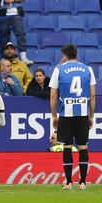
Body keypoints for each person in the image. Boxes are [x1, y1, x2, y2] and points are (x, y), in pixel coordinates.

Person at [49, 44, 96, 190]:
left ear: (65, 56)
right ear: (77, 55)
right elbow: (92, 95)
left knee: (67, 147)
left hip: (66, 114)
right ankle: (83, 182)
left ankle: (69, 182)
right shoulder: (88, 69)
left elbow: (53, 95)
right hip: (82, 114)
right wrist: (91, 116)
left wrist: (54, 115)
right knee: (83, 147)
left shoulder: (59, 69)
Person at [0, 0, 33, 65]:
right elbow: (8, 0)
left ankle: (23, 58)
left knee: (20, 34)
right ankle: (4, 58)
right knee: (3, 37)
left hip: (16, 14)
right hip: (3, 14)